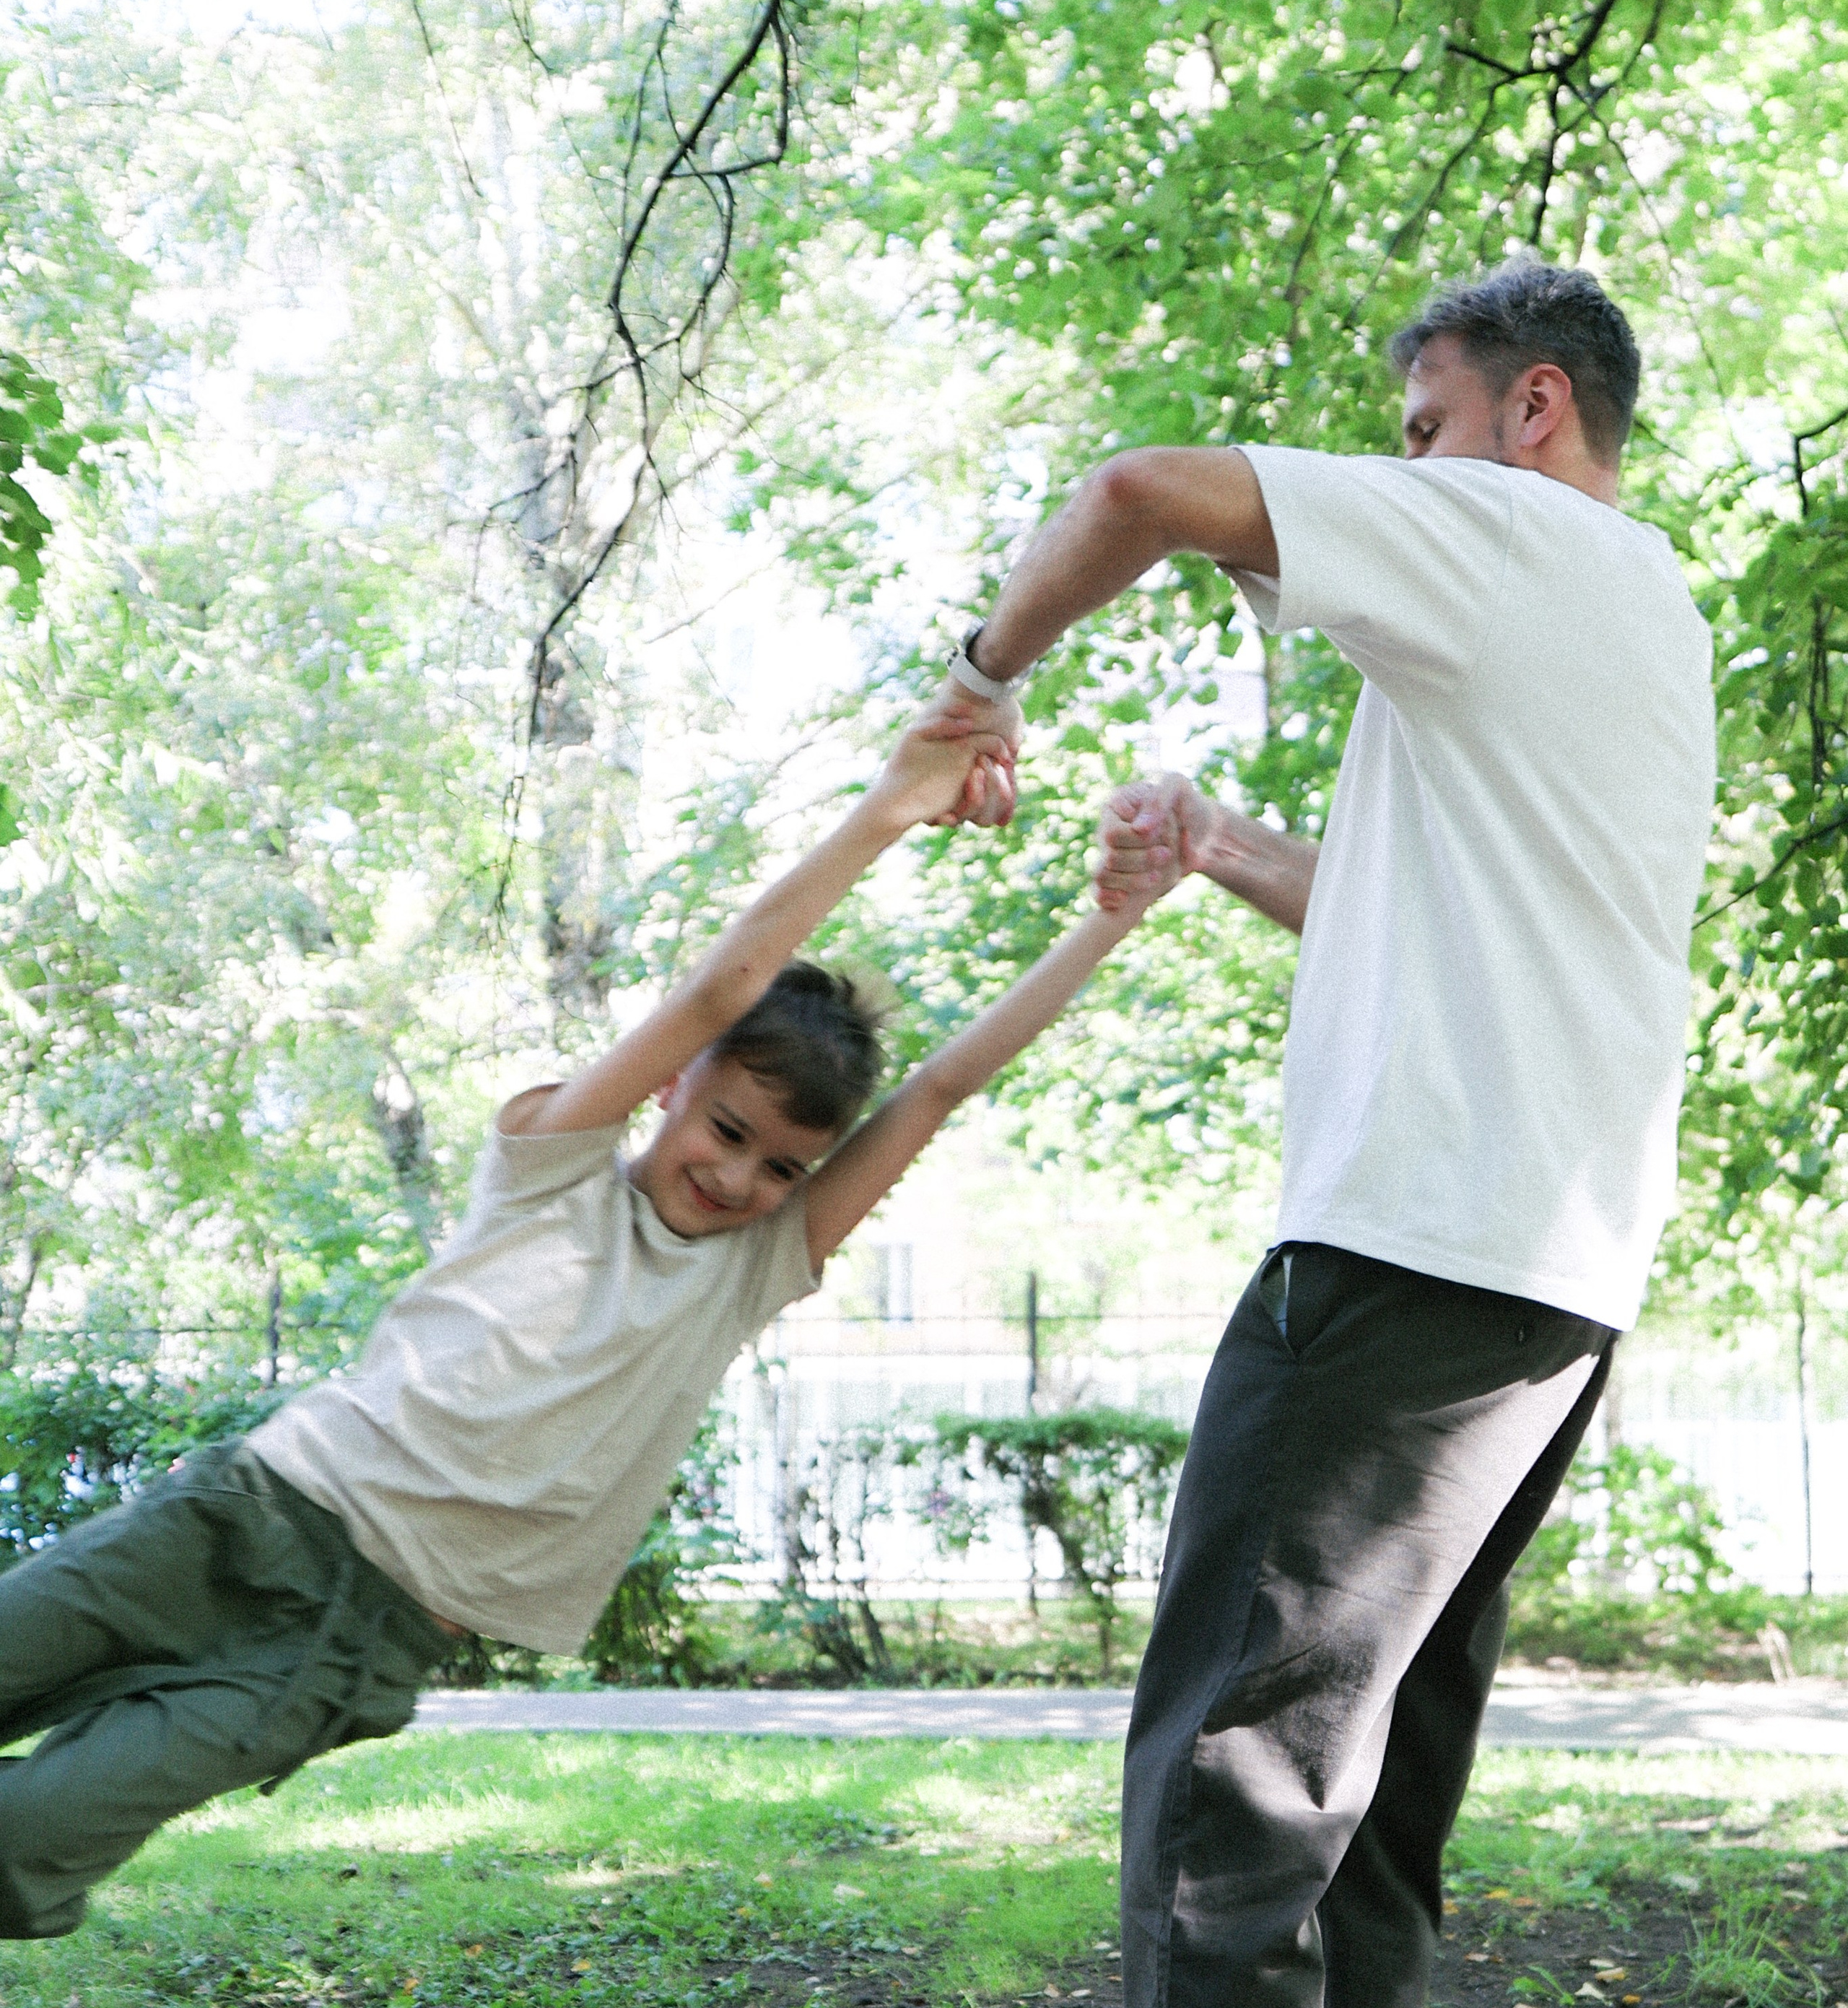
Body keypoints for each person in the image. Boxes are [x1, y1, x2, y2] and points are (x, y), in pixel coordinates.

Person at [923, 257, 1716, 2008]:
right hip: (1543, 1285)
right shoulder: (1632, 617)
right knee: (1354, 1823)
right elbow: (1429, 903)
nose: (1401, 462)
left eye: (1429, 416)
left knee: (1221, 1809)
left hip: (1400, 1271)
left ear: (1534, 408)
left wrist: (975, 683)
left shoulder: (1519, 530)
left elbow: (1140, 493)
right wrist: (1225, 853)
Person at [0, 715, 1167, 1941]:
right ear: (672, 1089)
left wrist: (1111, 916)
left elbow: (939, 1087)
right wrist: (888, 808)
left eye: (781, 1166)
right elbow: (720, 989)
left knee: (30, 1836)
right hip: (239, 1519)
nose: (737, 1177)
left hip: (344, 1645)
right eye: (725, 1129)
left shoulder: (752, 1270)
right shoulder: (551, 1170)